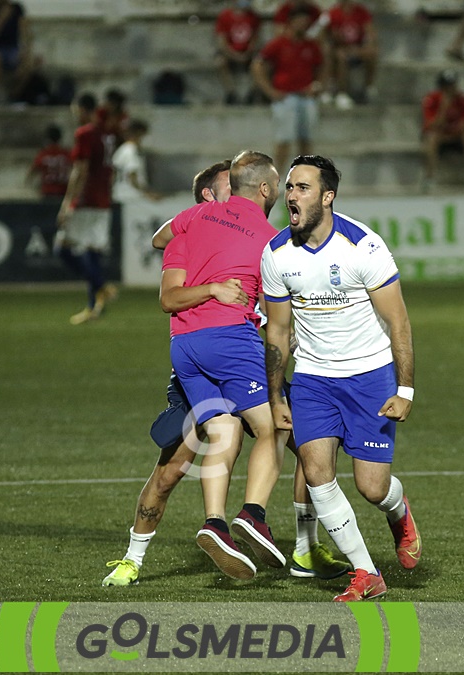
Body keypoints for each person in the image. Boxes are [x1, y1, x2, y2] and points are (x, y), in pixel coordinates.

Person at [104, 161, 351, 586]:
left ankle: (293, 545)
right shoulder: (236, 237)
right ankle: (241, 520)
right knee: (181, 466)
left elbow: (166, 250)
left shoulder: (194, 228)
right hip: (228, 351)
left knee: (299, 441)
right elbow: (172, 295)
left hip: (204, 349)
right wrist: (219, 290)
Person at [261, 155, 421, 602]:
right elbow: (276, 330)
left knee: (372, 487)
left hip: (369, 376)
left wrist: (405, 389)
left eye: (303, 187)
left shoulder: (363, 247)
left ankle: (398, 512)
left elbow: (399, 323)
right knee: (316, 472)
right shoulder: (275, 254)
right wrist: (277, 396)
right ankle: (366, 572)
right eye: (289, 186)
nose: (291, 195)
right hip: (313, 379)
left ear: (327, 196)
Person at [161, 150, 283, 581]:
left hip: (184, 347)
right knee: (274, 427)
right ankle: (252, 514)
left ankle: (214, 523)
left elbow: (162, 246)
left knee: (225, 429)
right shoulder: (270, 238)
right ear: (266, 189)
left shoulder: (195, 218)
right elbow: (273, 307)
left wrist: (205, 236)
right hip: (230, 338)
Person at [56, 93, 117, 325]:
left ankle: (102, 287)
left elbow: (80, 170)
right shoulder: (107, 134)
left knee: (61, 248)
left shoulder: (85, 133)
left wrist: (67, 203)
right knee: (92, 252)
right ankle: (94, 307)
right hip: (103, 202)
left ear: (82, 109)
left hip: (86, 201)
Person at [252, 7, 324, 179]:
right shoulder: (279, 44)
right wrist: (269, 90)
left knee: (306, 141)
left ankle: (305, 177)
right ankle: (278, 179)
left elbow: (322, 65)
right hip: (285, 97)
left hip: (306, 97)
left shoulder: (311, 45)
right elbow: (258, 65)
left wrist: (318, 84)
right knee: (283, 140)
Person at [421, 70, 464, 192]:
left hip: (457, 136)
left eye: (453, 85)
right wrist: (443, 108)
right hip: (441, 136)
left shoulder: (462, 99)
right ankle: (429, 178)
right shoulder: (432, 99)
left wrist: (457, 130)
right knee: (431, 138)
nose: (451, 89)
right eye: (448, 86)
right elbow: (431, 126)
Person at [324, 0, 378, 108]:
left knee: (372, 53)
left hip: (357, 48)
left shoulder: (361, 12)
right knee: (341, 56)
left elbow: (370, 32)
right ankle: (342, 92)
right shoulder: (333, 13)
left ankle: (368, 87)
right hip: (340, 48)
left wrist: (369, 44)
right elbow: (328, 34)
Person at [214, 0, 262, 105]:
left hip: (248, 53)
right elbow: (222, 42)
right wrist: (235, 55)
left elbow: (255, 39)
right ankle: (231, 93)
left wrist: (248, 53)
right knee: (220, 61)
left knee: (260, 63)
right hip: (230, 53)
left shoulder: (254, 16)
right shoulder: (224, 16)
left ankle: (252, 93)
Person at [112, 120, 161, 203]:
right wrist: (148, 194)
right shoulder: (132, 151)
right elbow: (132, 177)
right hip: (130, 198)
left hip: (120, 195)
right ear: (139, 134)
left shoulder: (122, 150)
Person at [26, 124, 71, 202]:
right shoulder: (66, 153)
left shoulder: (44, 154)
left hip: (47, 191)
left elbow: (32, 171)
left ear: (47, 139)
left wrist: (28, 183)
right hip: (63, 191)